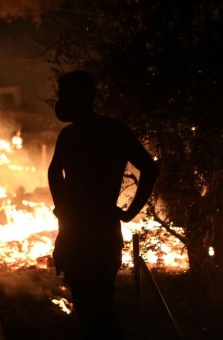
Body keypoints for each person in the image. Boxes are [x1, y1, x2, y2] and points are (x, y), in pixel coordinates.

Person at [48, 70, 159, 339]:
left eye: (64, 96)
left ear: (80, 98)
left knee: (96, 312)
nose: (60, 102)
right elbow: (54, 172)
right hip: (90, 231)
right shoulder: (92, 133)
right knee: (92, 310)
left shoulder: (94, 133)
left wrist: (62, 206)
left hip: (88, 233)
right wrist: (129, 212)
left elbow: (149, 168)